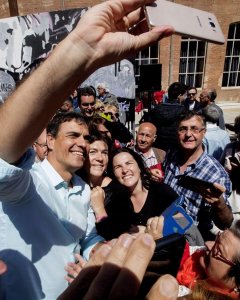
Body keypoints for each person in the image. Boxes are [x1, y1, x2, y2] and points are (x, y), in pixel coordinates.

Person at [0, 0, 174, 297]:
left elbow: (87, 237)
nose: (82, 142)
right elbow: (4, 147)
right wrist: (79, 50)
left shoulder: (84, 190)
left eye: (85, 137)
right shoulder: (26, 181)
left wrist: (96, 253)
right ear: (49, 141)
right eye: (72, 135)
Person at [163, 110, 233, 240]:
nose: (188, 134)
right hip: (162, 225)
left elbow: (226, 223)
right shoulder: (172, 154)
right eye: (183, 129)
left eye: (194, 129)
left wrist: (220, 204)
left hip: (188, 240)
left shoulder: (216, 173)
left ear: (204, 132)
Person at [91, 147, 178, 240]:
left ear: (139, 167)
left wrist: (150, 233)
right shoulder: (116, 201)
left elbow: (185, 226)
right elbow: (107, 235)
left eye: (129, 163)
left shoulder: (162, 193)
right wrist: (99, 208)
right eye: (118, 167)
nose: (124, 170)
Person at [147, 82, 187, 151]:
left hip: (158, 148)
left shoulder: (156, 109)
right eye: (184, 95)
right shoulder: (184, 112)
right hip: (176, 150)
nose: (185, 97)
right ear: (179, 96)